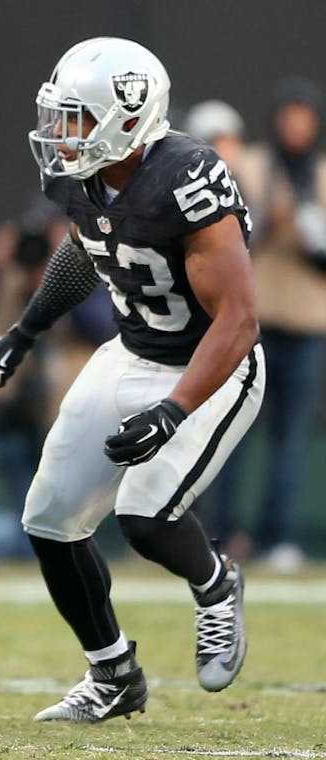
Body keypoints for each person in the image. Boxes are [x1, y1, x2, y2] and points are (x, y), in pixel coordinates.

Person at [0, 37, 258, 723]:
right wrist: (25, 328)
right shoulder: (77, 177)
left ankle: (216, 586)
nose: (59, 134)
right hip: (129, 352)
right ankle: (112, 675)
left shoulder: (186, 177)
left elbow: (240, 319)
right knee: (49, 520)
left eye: (75, 118)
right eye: (59, 116)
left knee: (145, 518)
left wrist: (173, 409)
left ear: (128, 118)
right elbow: (86, 250)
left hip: (210, 365)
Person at [211, 79, 326, 573]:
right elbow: (224, 235)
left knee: (290, 436)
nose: (295, 126)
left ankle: (277, 536)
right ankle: (222, 532)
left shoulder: (323, 176)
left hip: (306, 323)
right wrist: (264, 217)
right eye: (288, 115)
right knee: (231, 430)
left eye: (305, 116)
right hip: (250, 321)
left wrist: (306, 232)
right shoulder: (252, 167)